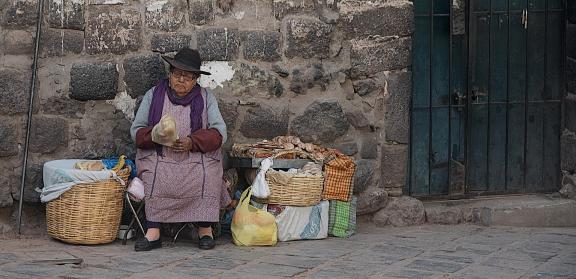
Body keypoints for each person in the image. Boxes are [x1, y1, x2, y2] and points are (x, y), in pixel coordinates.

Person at [130, 48, 230, 251]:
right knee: (156, 173)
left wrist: (192, 142)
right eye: (177, 74)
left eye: (187, 76)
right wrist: (157, 136)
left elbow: (220, 133)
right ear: (170, 74)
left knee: (210, 173)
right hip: (160, 155)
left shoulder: (206, 97)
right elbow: (137, 131)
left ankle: (205, 230)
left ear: (196, 80)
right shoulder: (153, 95)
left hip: (194, 156)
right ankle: (153, 232)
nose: (181, 79)